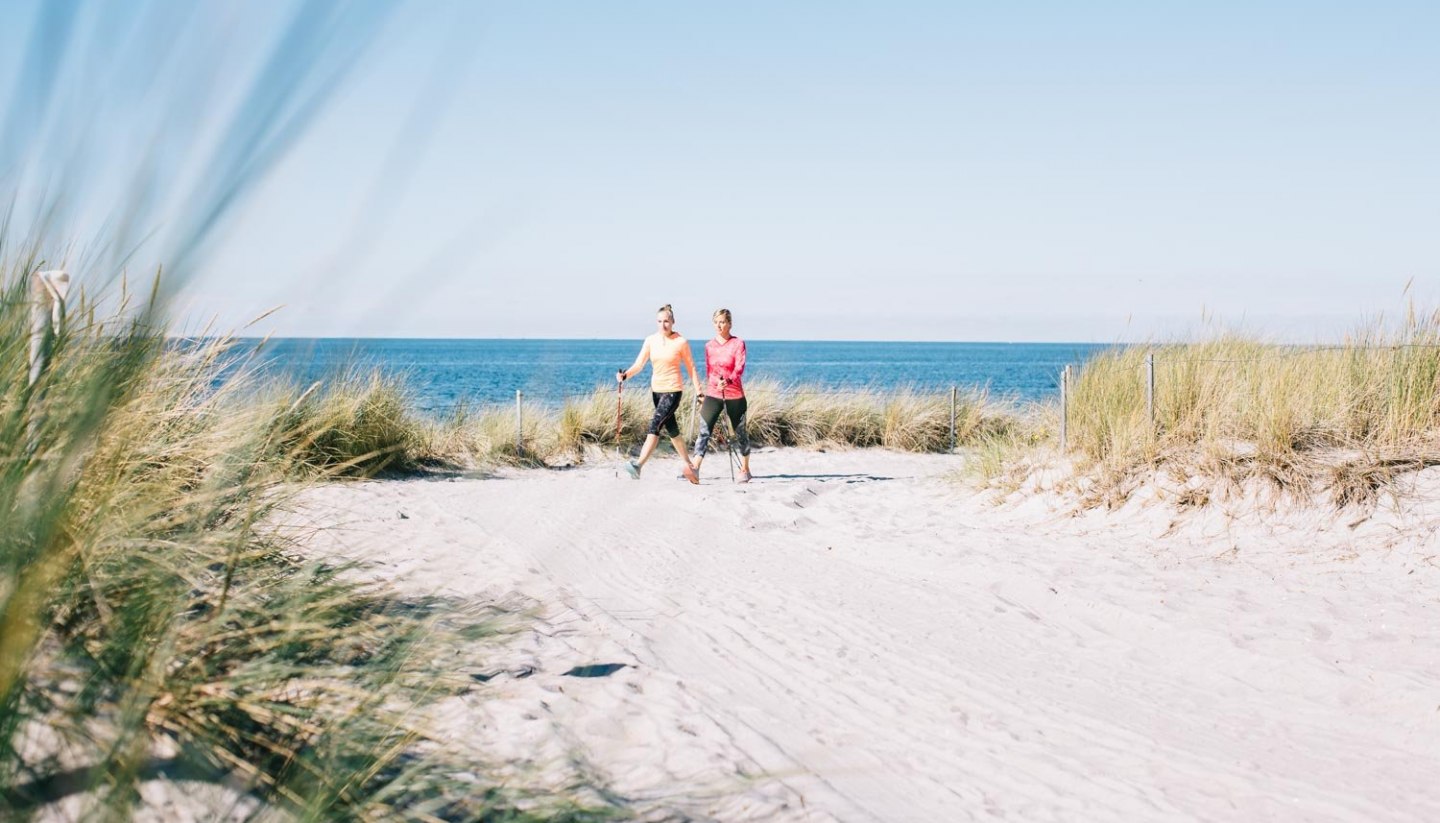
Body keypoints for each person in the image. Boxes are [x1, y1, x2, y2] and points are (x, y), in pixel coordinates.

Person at [616, 304, 702, 484]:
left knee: (654, 425)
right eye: (660, 321)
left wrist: (699, 391)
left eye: (667, 321)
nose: (663, 325)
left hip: (673, 391)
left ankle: (638, 465)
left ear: (673, 322)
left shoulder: (681, 342)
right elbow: (639, 364)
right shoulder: (650, 340)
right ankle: (691, 468)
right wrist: (625, 376)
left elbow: (691, 368)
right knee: (672, 430)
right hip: (656, 391)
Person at [690, 308, 752, 483]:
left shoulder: (738, 343)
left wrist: (729, 380)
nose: (719, 325)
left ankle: (745, 468)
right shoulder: (709, 346)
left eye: (723, 322)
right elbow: (709, 371)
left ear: (730, 324)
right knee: (704, 430)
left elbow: (739, 367)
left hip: (735, 394)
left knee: (741, 433)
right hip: (713, 393)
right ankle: (695, 469)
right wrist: (706, 392)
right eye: (716, 322)